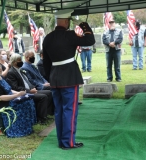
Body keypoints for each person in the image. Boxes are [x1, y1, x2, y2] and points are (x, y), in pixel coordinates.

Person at [42, 9, 95, 149]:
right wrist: (84, 26)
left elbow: (46, 62)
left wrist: (50, 77)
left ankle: (62, 140)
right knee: (70, 111)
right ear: (66, 21)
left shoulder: (47, 38)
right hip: (70, 78)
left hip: (55, 78)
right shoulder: (69, 35)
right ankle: (68, 142)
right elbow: (90, 40)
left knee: (59, 110)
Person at [0, 61, 36, 137]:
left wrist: (19, 93)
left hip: (11, 98)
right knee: (25, 104)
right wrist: (16, 95)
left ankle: (28, 126)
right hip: (5, 103)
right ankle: (20, 129)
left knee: (29, 99)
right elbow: (0, 97)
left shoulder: (1, 77)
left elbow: (9, 90)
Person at [6, 53, 52, 124]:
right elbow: (15, 87)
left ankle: (46, 114)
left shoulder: (20, 70)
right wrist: (29, 91)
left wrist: (33, 88)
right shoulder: (11, 73)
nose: (21, 61)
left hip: (31, 90)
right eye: (19, 60)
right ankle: (41, 118)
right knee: (43, 97)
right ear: (14, 62)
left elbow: (27, 81)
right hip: (23, 92)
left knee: (49, 93)